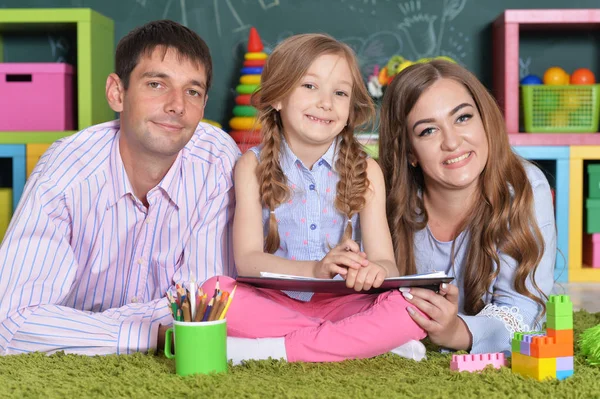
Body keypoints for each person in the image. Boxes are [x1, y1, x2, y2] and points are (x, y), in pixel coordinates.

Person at [0, 20, 240, 355]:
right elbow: (11, 323)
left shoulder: (217, 162)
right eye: (156, 84)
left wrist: (73, 325)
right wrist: (147, 334)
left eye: (193, 91)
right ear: (117, 93)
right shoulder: (65, 171)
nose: (177, 106)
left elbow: (203, 309)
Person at [201, 33, 427, 364]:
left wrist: (371, 271)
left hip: (345, 303)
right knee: (213, 294)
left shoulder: (368, 171)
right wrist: (316, 269)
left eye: (340, 93)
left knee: (410, 306)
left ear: (350, 110)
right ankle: (361, 341)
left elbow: (386, 263)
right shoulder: (251, 165)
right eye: (310, 86)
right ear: (277, 97)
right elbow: (247, 260)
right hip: (275, 303)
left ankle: (273, 350)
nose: (326, 102)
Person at [378, 60, 556, 354]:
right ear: (410, 152)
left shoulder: (523, 187)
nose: (452, 142)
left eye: (462, 118)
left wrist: (457, 333)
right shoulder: (386, 198)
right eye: (428, 131)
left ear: (484, 119)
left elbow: (524, 313)